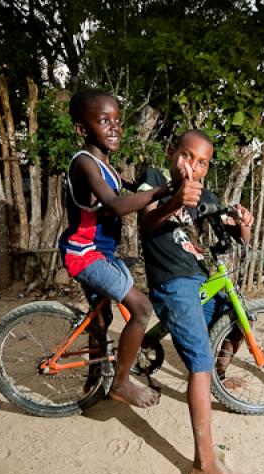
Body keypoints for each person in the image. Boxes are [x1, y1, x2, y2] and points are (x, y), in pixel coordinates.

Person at [137, 130, 257, 474]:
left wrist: (244, 224)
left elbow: (239, 238)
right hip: (173, 283)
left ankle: (219, 373)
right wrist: (175, 201)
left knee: (241, 320)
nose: (193, 166)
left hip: (198, 276)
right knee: (198, 366)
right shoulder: (153, 181)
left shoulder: (206, 195)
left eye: (202, 161)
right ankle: (204, 467)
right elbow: (146, 223)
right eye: (187, 156)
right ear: (171, 152)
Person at [58, 88, 171, 408]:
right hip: (85, 253)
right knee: (142, 308)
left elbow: (129, 188)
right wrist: (162, 190)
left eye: (117, 120)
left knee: (102, 318)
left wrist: (152, 185)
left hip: (98, 252)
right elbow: (117, 204)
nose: (114, 127)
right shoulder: (85, 164)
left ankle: (95, 381)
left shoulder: (106, 164)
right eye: (104, 120)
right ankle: (121, 383)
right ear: (82, 130)